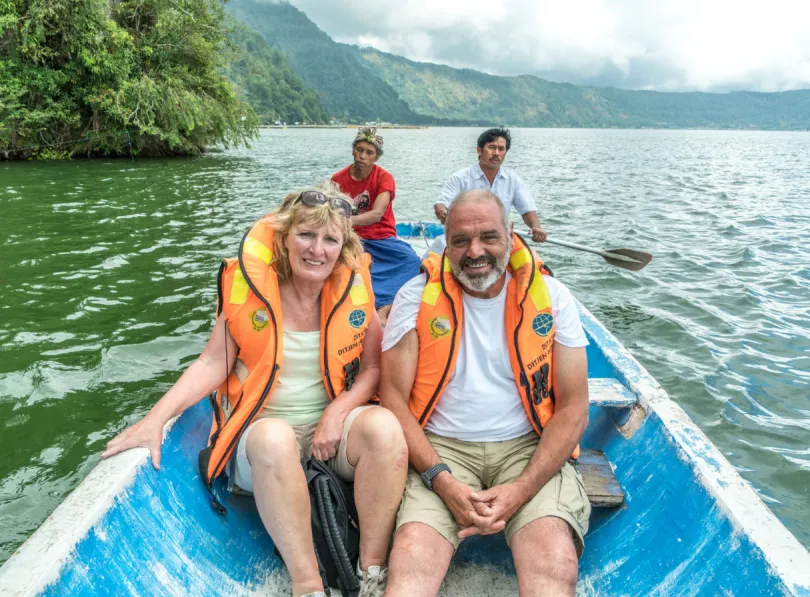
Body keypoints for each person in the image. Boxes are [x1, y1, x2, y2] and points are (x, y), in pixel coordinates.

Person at [103, 183, 406, 597]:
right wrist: (155, 419)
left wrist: (337, 413)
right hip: (262, 446)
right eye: (306, 235)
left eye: (330, 240)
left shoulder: (351, 288)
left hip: (329, 438)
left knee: (384, 429)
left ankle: (371, 572)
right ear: (284, 237)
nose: (317, 250)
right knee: (273, 436)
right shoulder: (251, 289)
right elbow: (213, 362)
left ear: (342, 247)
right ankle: (308, 585)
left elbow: (372, 368)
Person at [380, 190, 591, 597]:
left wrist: (521, 490)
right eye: (460, 240)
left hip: (528, 448)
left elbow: (574, 408)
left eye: (488, 237)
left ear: (511, 236)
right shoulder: (415, 298)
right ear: (446, 242)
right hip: (441, 451)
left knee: (555, 569)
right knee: (408, 573)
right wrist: (441, 481)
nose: (475, 251)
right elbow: (392, 400)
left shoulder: (552, 297)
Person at [332, 127, 422, 324]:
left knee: (413, 261)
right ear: (353, 151)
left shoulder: (384, 178)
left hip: (382, 238)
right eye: (359, 149)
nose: (362, 156)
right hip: (353, 237)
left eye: (369, 152)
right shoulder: (338, 179)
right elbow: (331, 208)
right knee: (347, 267)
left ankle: (385, 301)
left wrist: (343, 221)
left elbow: (376, 214)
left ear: (376, 157)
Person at [428, 127, 547, 257]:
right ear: (479, 150)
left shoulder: (513, 180)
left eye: (501, 149)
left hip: (497, 241)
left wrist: (536, 227)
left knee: (530, 266)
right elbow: (441, 205)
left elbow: (527, 210)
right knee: (428, 265)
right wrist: (443, 213)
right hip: (464, 239)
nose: (496, 153)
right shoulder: (460, 178)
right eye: (491, 147)